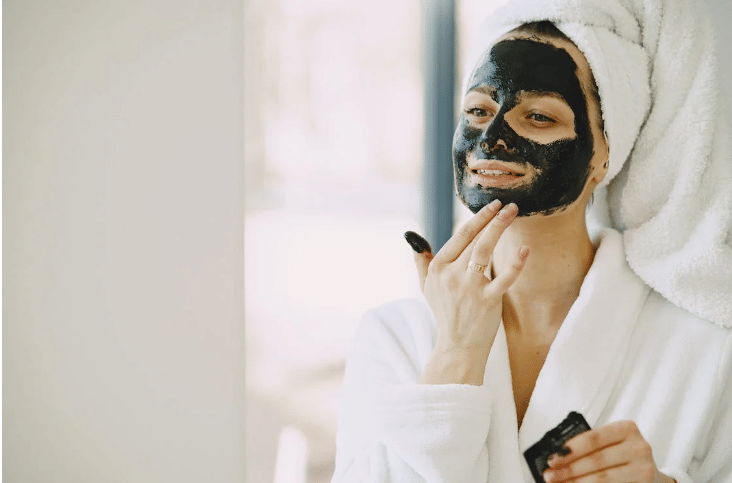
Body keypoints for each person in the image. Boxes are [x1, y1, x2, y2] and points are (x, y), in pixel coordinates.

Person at [331, 1, 732, 482]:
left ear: (606, 153)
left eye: (539, 116)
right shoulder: (395, 336)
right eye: (478, 110)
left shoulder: (706, 349)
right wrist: (456, 352)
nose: (491, 139)